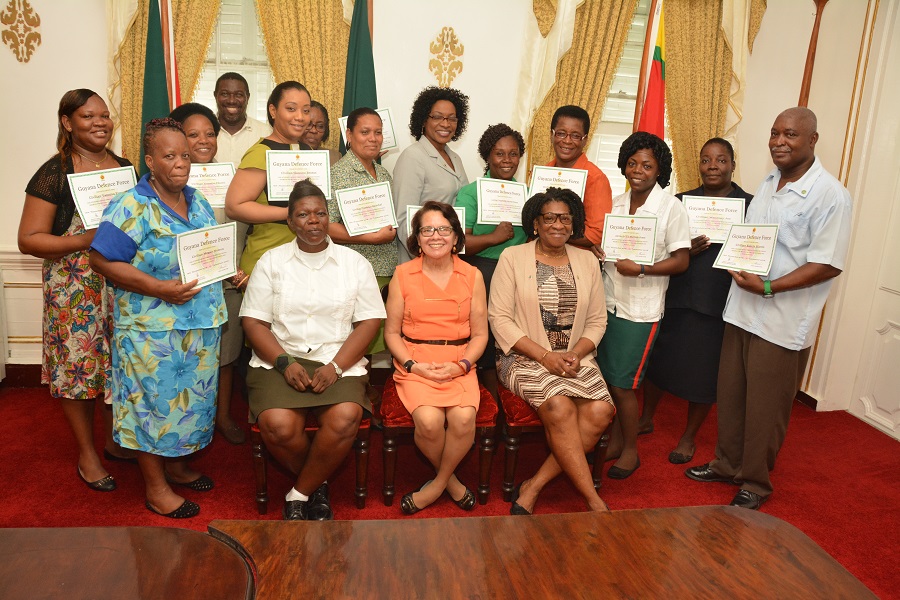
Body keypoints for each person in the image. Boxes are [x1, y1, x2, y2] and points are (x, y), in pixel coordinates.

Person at [686, 107, 852, 510]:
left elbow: (827, 262)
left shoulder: (831, 195)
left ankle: (755, 482)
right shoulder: (769, 182)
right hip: (741, 309)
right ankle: (726, 464)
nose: (779, 141)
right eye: (775, 133)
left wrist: (769, 286)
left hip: (782, 320)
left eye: (790, 134)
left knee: (766, 407)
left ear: (812, 140)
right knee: (732, 394)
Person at [90, 118, 227, 518]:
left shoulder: (197, 199)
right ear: (150, 160)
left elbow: (206, 249)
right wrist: (158, 287)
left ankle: (179, 466)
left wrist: (225, 267)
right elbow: (100, 259)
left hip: (199, 325)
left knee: (189, 404)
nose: (181, 163)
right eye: (169, 156)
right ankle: (156, 487)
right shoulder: (132, 204)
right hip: (152, 331)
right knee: (152, 406)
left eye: (185, 155)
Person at [241, 179, 384, 521]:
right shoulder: (270, 262)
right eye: (303, 215)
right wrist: (283, 361)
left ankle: (299, 493)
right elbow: (253, 322)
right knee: (278, 426)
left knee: (345, 417)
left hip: (338, 358)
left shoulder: (354, 264)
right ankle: (317, 486)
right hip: (279, 358)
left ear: (329, 217)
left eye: (320, 213)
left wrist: (335, 367)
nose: (314, 221)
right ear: (290, 222)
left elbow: (369, 322)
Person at [17, 89, 135, 492]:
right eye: (88, 116)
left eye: (105, 115)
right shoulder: (54, 173)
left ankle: (113, 441)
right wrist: (83, 240)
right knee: (78, 371)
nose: (100, 123)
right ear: (68, 123)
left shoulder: (126, 168)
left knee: (116, 367)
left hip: (120, 284)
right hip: (74, 289)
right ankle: (87, 453)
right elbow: (29, 240)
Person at [489, 188, 615, 514]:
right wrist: (545, 356)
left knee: (601, 411)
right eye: (549, 218)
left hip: (576, 357)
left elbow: (598, 321)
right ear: (535, 224)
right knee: (559, 407)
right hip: (524, 357)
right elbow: (499, 320)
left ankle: (534, 484)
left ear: (574, 225)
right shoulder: (512, 258)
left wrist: (575, 353)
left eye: (565, 218)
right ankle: (594, 500)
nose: (557, 224)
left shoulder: (587, 261)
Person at [638, 138, 754, 464]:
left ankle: (688, 436)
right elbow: (658, 247)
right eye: (706, 160)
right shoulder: (680, 201)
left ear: (732, 164)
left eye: (720, 160)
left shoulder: (749, 204)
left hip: (718, 300)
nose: (713, 166)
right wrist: (683, 248)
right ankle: (646, 418)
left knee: (705, 373)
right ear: (699, 165)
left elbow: (758, 250)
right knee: (658, 361)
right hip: (677, 294)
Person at [384, 201, 488, 514]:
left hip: (460, 360)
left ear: (456, 237)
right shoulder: (402, 274)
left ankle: (436, 485)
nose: (435, 235)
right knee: (429, 422)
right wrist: (414, 366)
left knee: (463, 418)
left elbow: (481, 335)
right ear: (416, 238)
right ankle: (453, 484)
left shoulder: (473, 276)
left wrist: (462, 365)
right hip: (415, 360)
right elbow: (391, 334)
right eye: (427, 229)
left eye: (444, 229)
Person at [597, 132, 690, 480]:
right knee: (609, 381)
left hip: (641, 311)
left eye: (647, 165)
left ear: (659, 169)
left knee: (624, 384)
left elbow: (681, 261)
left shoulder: (671, 208)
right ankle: (618, 440)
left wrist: (643, 268)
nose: (638, 170)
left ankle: (632, 452)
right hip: (609, 303)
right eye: (632, 163)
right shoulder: (618, 204)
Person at [169, 102, 249, 445]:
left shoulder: (233, 178)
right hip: (182, 287)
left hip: (226, 283)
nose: (204, 141)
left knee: (226, 356)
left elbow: (243, 227)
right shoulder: (167, 184)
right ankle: (182, 421)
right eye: (193, 134)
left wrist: (238, 266)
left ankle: (223, 416)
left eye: (210, 133)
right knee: (183, 357)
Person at [455, 123, 528, 401]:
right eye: (499, 154)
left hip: (519, 274)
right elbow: (459, 243)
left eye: (513, 154)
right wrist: (494, 238)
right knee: (485, 343)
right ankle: (490, 403)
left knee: (514, 339)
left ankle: (512, 396)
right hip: (482, 272)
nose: (507, 160)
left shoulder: (526, 192)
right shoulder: (470, 193)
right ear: (487, 156)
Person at [225, 80, 313, 276]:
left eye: (306, 111)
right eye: (291, 109)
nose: (300, 117)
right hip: (266, 262)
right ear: (273, 111)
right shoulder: (261, 152)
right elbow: (234, 206)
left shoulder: (308, 151)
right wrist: (290, 213)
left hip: (303, 261)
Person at [328, 107, 397, 355]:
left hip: (384, 269)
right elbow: (326, 225)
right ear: (349, 134)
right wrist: (370, 237)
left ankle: (366, 387)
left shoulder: (384, 174)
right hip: (355, 270)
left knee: (377, 334)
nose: (373, 138)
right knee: (355, 336)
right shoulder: (337, 174)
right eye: (365, 132)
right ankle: (357, 388)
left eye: (378, 132)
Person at [393, 86, 470, 263]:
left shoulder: (455, 158)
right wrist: (427, 258)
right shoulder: (412, 157)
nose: (445, 124)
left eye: (452, 118)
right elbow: (404, 219)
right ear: (423, 120)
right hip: (421, 262)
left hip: (448, 259)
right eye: (437, 117)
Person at [546, 105, 613, 255]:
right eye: (561, 133)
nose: (567, 141)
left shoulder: (595, 179)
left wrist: (551, 234)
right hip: (538, 256)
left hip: (575, 262)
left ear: (585, 140)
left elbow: (595, 234)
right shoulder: (542, 172)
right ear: (552, 135)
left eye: (575, 136)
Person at [213, 72, 272, 165]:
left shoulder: (267, 133)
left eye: (239, 95)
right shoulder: (202, 134)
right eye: (225, 94)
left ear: (247, 97)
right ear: (215, 96)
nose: (231, 100)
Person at [303, 100, 342, 166]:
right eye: (309, 124)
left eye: (320, 126)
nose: (314, 130)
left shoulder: (334, 158)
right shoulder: (284, 155)